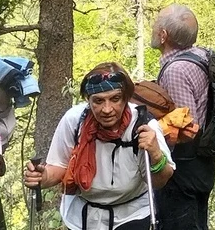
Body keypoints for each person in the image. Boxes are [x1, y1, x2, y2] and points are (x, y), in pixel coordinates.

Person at [25, 63, 174, 230]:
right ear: (88, 100)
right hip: (83, 217)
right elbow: (60, 166)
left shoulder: (143, 124)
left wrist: (155, 154)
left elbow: (161, 181)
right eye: (98, 101)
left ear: (125, 98)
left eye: (115, 99)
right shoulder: (75, 121)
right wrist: (43, 177)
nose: (107, 109)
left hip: (132, 215)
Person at [150, 4, 214, 230]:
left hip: (183, 170)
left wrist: (152, 136)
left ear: (163, 35)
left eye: (156, 22)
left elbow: (187, 128)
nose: (153, 26)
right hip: (200, 166)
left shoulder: (176, 70)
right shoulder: (200, 55)